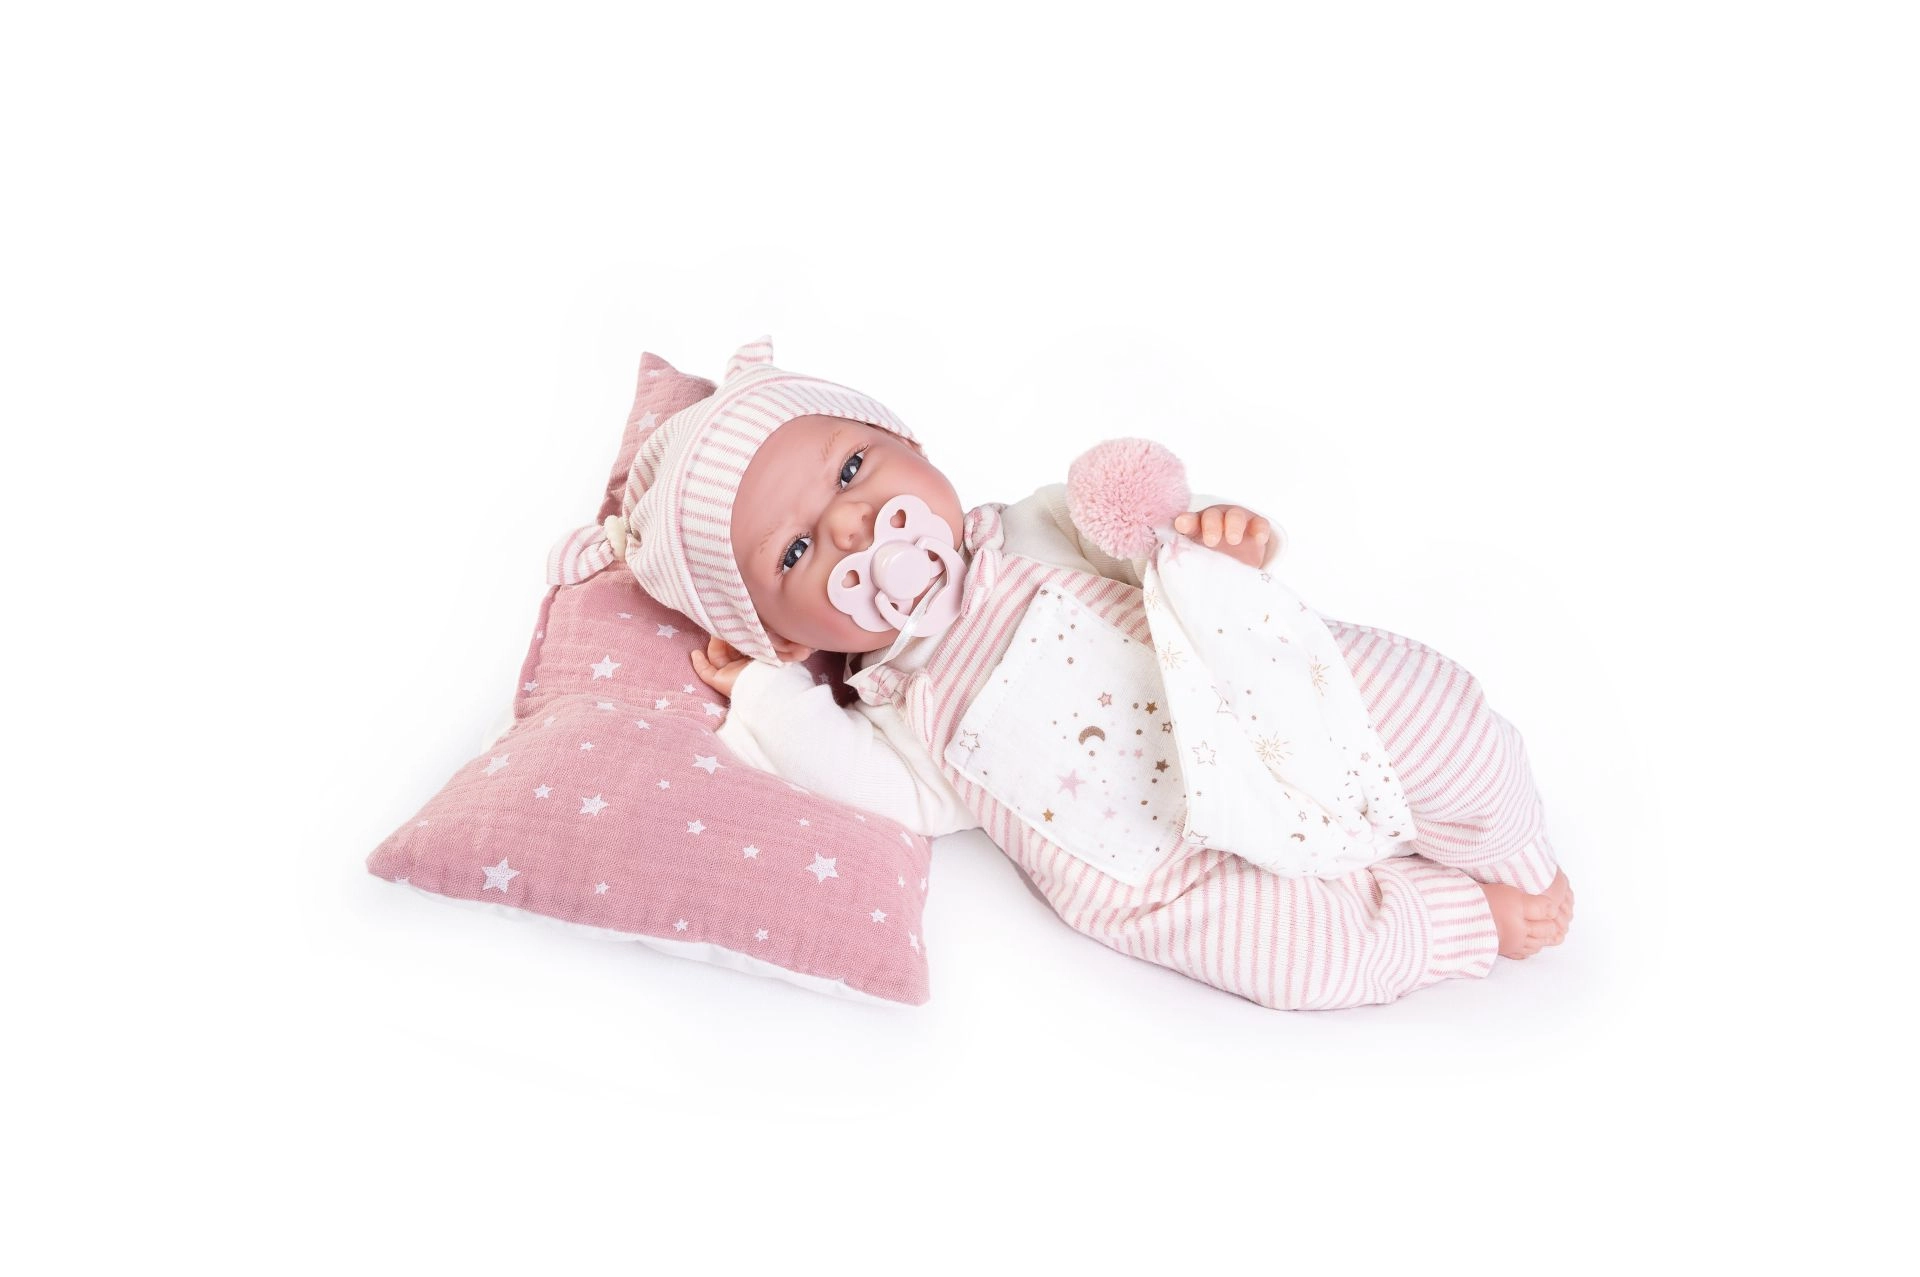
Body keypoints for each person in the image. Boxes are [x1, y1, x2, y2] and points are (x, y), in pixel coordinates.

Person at [569, 336, 1572, 1010]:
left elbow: (1154, 545)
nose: (851, 526)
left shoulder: (1038, 525)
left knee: (1429, 713)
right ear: (785, 636)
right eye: (796, 553)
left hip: (1253, 706)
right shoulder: (899, 714)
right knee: (1300, 956)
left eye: (852, 470)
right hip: (1161, 866)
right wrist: (764, 695)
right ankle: (1452, 921)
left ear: (909, 442)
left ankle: (1512, 842)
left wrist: (1214, 538)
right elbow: (867, 786)